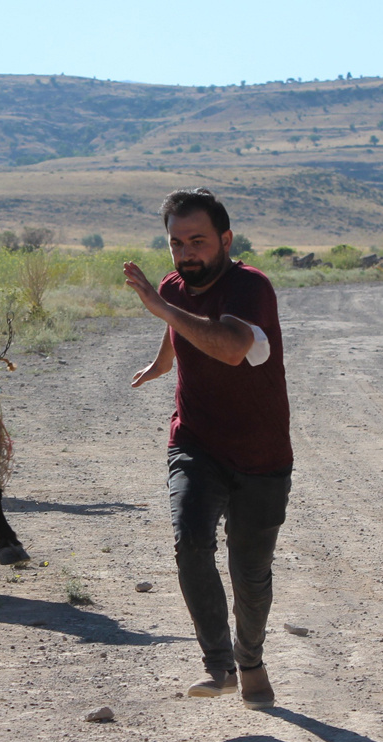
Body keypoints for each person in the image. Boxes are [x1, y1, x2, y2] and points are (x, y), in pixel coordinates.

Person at [124, 188, 292, 709]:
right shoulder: (175, 287)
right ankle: (219, 665)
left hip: (262, 453)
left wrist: (158, 307)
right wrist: (163, 361)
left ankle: (251, 660)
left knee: (251, 573)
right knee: (190, 541)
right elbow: (179, 323)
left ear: (225, 239)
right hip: (195, 441)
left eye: (197, 241)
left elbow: (229, 345)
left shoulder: (250, 287)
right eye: (176, 243)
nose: (185, 254)